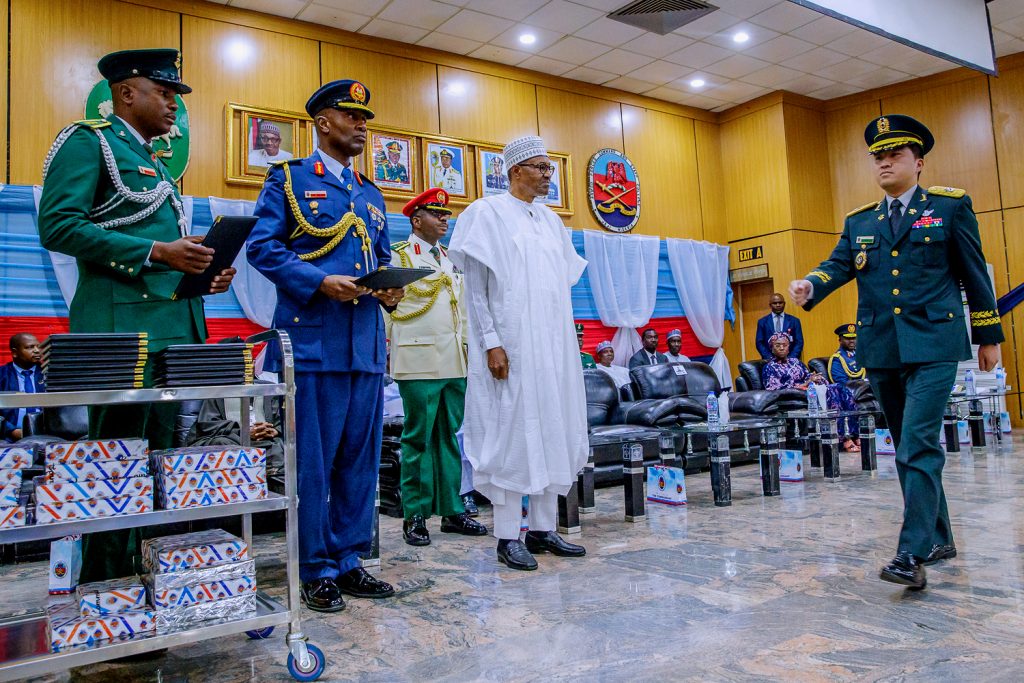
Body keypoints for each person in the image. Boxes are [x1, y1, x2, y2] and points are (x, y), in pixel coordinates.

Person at [37, 49, 235, 582]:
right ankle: (107, 588)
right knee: (116, 466)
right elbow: (58, 226)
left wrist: (201, 272)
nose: (174, 105)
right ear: (126, 93)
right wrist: (157, 252)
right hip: (121, 334)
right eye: (164, 93)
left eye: (175, 95)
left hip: (172, 332)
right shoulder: (90, 142)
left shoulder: (156, 160)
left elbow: (159, 249)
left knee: (160, 464)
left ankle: (151, 581)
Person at [789, 114, 1004, 590]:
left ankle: (912, 554)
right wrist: (811, 285)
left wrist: (988, 336)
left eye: (895, 155)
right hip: (882, 348)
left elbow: (974, 272)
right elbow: (838, 265)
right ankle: (940, 537)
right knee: (910, 443)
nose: (885, 163)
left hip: (934, 345)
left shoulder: (949, 207)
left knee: (918, 443)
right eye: (878, 157)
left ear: (918, 162)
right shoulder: (861, 220)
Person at [248, 79, 404, 611]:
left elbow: (380, 258)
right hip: (313, 344)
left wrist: (388, 291)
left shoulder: (371, 193)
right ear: (323, 123)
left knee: (360, 462)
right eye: (351, 116)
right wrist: (318, 282)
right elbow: (261, 248)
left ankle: (349, 558)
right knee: (312, 463)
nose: (361, 125)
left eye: (365, 118)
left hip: (365, 347)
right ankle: (314, 566)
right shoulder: (290, 179)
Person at [449, 135, 589, 571]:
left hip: (552, 348)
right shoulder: (485, 213)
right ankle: (508, 535)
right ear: (515, 171)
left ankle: (544, 529)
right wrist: (491, 342)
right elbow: (476, 290)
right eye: (541, 167)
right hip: (510, 347)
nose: (549, 175)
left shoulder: (551, 221)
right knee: (510, 434)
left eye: (550, 168)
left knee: (552, 427)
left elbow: (560, 285)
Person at [387, 187, 486, 546]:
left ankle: (452, 509)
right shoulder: (398, 255)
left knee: (450, 438)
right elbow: (386, 308)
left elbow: (461, 311)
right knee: (418, 439)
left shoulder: (449, 258)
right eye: (436, 214)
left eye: (446, 215)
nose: (445, 219)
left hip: (454, 361)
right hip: (418, 361)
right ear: (416, 220)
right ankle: (415, 514)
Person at [761, 333, 858, 450]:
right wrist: (804, 384)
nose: (781, 348)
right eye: (777, 345)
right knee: (830, 394)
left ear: (788, 347)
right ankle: (844, 439)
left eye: (784, 345)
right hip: (795, 396)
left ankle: (855, 434)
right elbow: (773, 389)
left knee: (839, 388)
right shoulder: (770, 367)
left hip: (810, 390)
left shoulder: (796, 362)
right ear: (772, 348)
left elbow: (808, 376)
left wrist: (816, 378)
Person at [0, 333, 44, 442]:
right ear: (15, 353)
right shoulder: (2, 374)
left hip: (46, 434)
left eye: (38, 346)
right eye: (30, 347)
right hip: (7, 437)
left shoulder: (48, 373)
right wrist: (11, 430)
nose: (37, 351)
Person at [755, 293, 803, 359]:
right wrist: (770, 358)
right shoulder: (762, 322)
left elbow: (799, 342)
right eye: (775, 303)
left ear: (784, 304)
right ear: (770, 305)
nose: (778, 305)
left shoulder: (794, 321)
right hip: (769, 360)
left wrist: (790, 359)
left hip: (791, 359)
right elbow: (759, 343)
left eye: (780, 303)